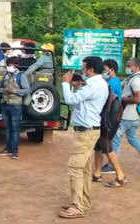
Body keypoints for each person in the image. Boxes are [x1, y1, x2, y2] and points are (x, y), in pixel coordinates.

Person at [59, 56, 109, 219]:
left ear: (91, 69)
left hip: (85, 133)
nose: (82, 71)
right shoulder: (96, 83)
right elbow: (80, 102)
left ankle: (77, 206)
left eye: (84, 68)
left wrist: (66, 83)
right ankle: (83, 202)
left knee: (75, 168)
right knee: (85, 169)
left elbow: (70, 100)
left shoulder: (94, 84)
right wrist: (75, 87)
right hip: (89, 131)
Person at [92, 59, 126, 188]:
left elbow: (110, 102)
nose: (104, 71)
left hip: (110, 118)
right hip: (105, 117)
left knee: (105, 145)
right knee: (98, 146)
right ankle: (97, 173)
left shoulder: (113, 82)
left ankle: (120, 176)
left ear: (111, 69)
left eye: (105, 69)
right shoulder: (108, 82)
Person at [0, 57, 31, 159]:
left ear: (15, 65)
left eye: (9, 65)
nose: (8, 67)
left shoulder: (21, 76)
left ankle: (15, 152)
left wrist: (15, 91)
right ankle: (8, 149)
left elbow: (27, 90)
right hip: (5, 104)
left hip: (16, 105)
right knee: (8, 129)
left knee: (15, 129)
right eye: (8, 65)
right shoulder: (6, 75)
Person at [109, 58, 140, 181]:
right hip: (132, 117)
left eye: (129, 65)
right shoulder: (130, 78)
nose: (127, 67)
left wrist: (123, 100)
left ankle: (112, 165)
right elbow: (118, 85)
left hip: (127, 116)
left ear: (136, 66)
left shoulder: (136, 80)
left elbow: (138, 99)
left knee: (115, 137)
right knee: (132, 139)